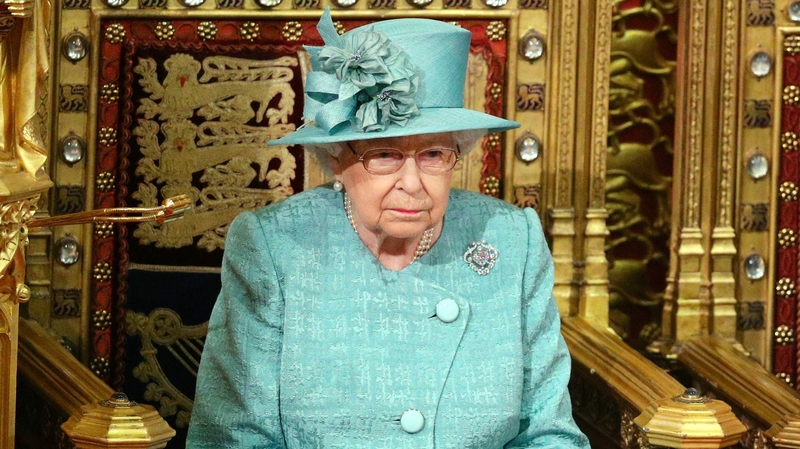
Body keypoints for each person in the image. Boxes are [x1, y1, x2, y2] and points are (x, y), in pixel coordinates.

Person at [187, 9, 589, 448]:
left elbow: (549, 434)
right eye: (384, 155)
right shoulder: (275, 247)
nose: (413, 183)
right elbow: (232, 437)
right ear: (338, 159)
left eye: (434, 154)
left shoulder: (512, 239)